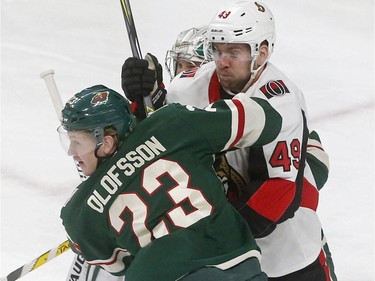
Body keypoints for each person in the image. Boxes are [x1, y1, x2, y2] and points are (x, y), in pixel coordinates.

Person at [121, 1, 337, 281]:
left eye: (234, 52)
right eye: (218, 50)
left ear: (261, 52)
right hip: (227, 260)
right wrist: (144, 97)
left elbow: (279, 191)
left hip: (289, 257)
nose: (222, 62)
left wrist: (217, 239)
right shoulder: (191, 85)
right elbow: (155, 142)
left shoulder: (280, 100)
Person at [59, 84, 283, 281]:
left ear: (106, 142)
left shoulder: (78, 212)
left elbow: (116, 265)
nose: (71, 152)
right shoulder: (172, 123)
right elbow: (267, 119)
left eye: (77, 142)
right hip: (235, 262)